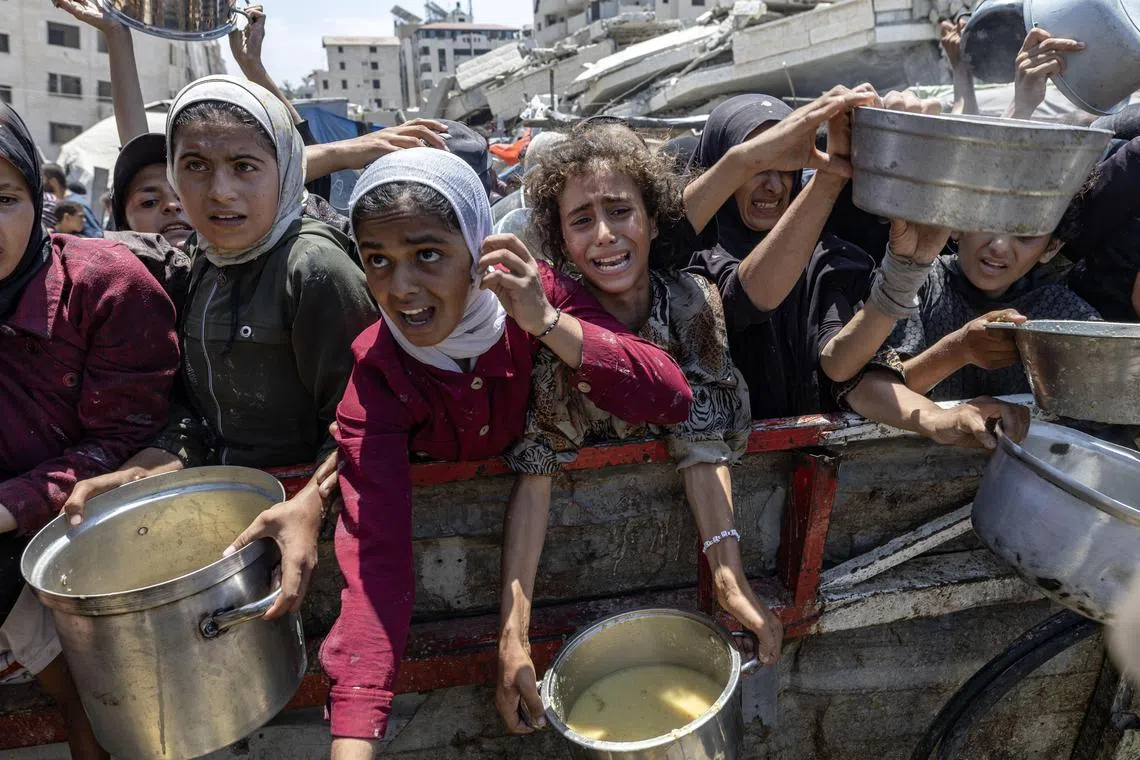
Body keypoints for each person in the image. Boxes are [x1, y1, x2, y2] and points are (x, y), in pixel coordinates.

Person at [324, 147, 692, 758]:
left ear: (479, 251)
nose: (402, 287)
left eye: (429, 254)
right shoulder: (378, 372)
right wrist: (354, 740)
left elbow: (669, 394)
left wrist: (544, 320)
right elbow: (374, 563)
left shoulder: (531, 296)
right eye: (378, 262)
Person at [495, 120, 782, 735]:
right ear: (561, 242)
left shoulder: (691, 303)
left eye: (620, 210)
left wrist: (730, 580)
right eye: (581, 221)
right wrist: (513, 634)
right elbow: (538, 468)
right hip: (586, 575)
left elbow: (702, 437)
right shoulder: (544, 322)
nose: (604, 235)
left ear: (653, 220)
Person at [63, 76, 379, 626]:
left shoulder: (314, 270)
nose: (220, 192)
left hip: (313, 532)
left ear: (285, 169)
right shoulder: (206, 263)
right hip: (230, 517)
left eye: (244, 166)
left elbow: (367, 424)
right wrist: (158, 458)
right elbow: (199, 407)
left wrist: (310, 500)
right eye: (195, 166)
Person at [686, 90, 1032, 445]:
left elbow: (844, 370)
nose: (773, 185)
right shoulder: (684, 259)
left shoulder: (828, 259)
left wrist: (939, 418)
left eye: (785, 166)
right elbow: (748, 296)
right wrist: (831, 175)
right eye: (757, 164)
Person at [0, 101, 179, 760]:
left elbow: (126, 442)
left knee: (96, 697)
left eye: (3, 198)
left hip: (97, 527)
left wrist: (10, 506)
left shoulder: (105, 286)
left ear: (36, 201)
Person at [41, 163, 102, 238]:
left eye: (43, 181)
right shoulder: (61, 203)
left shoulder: (77, 204)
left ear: (54, 182)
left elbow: (96, 234)